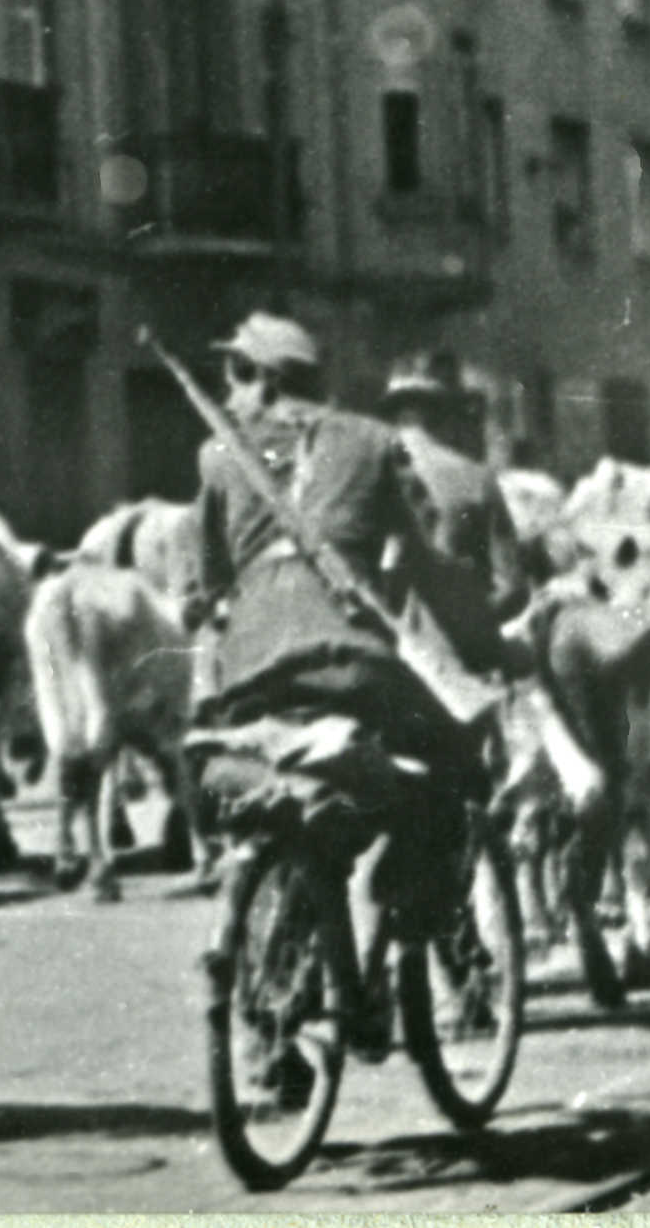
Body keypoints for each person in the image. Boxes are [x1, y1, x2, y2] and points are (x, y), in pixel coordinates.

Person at [186, 314, 499, 953]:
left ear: (263, 380)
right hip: (349, 663)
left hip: (249, 671)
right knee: (447, 760)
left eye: (235, 376)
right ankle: (404, 903)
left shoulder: (220, 456)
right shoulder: (375, 441)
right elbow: (427, 554)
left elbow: (202, 587)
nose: (228, 395)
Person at [378, 354, 530, 653]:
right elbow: (514, 589)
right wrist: (468, 622)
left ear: (391, 415)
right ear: (443, 415)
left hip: (389, 650)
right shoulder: (477, 477)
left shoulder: (370, 471)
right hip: (462, 654)